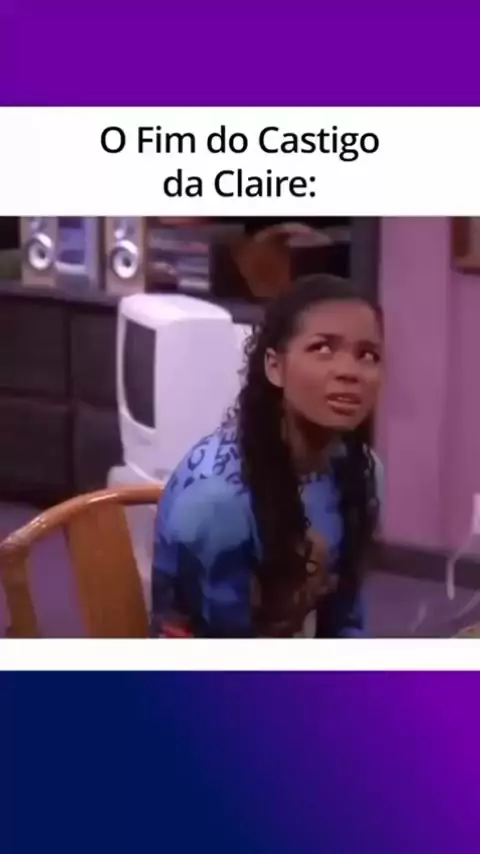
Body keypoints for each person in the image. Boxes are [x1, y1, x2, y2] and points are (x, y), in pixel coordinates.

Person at [151, 273, 384, 638]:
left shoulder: (363, 472)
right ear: (275, 367)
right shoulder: (217, 503)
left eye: (367, 355)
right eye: (323, 348)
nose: (349, 372)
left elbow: (346, 621)